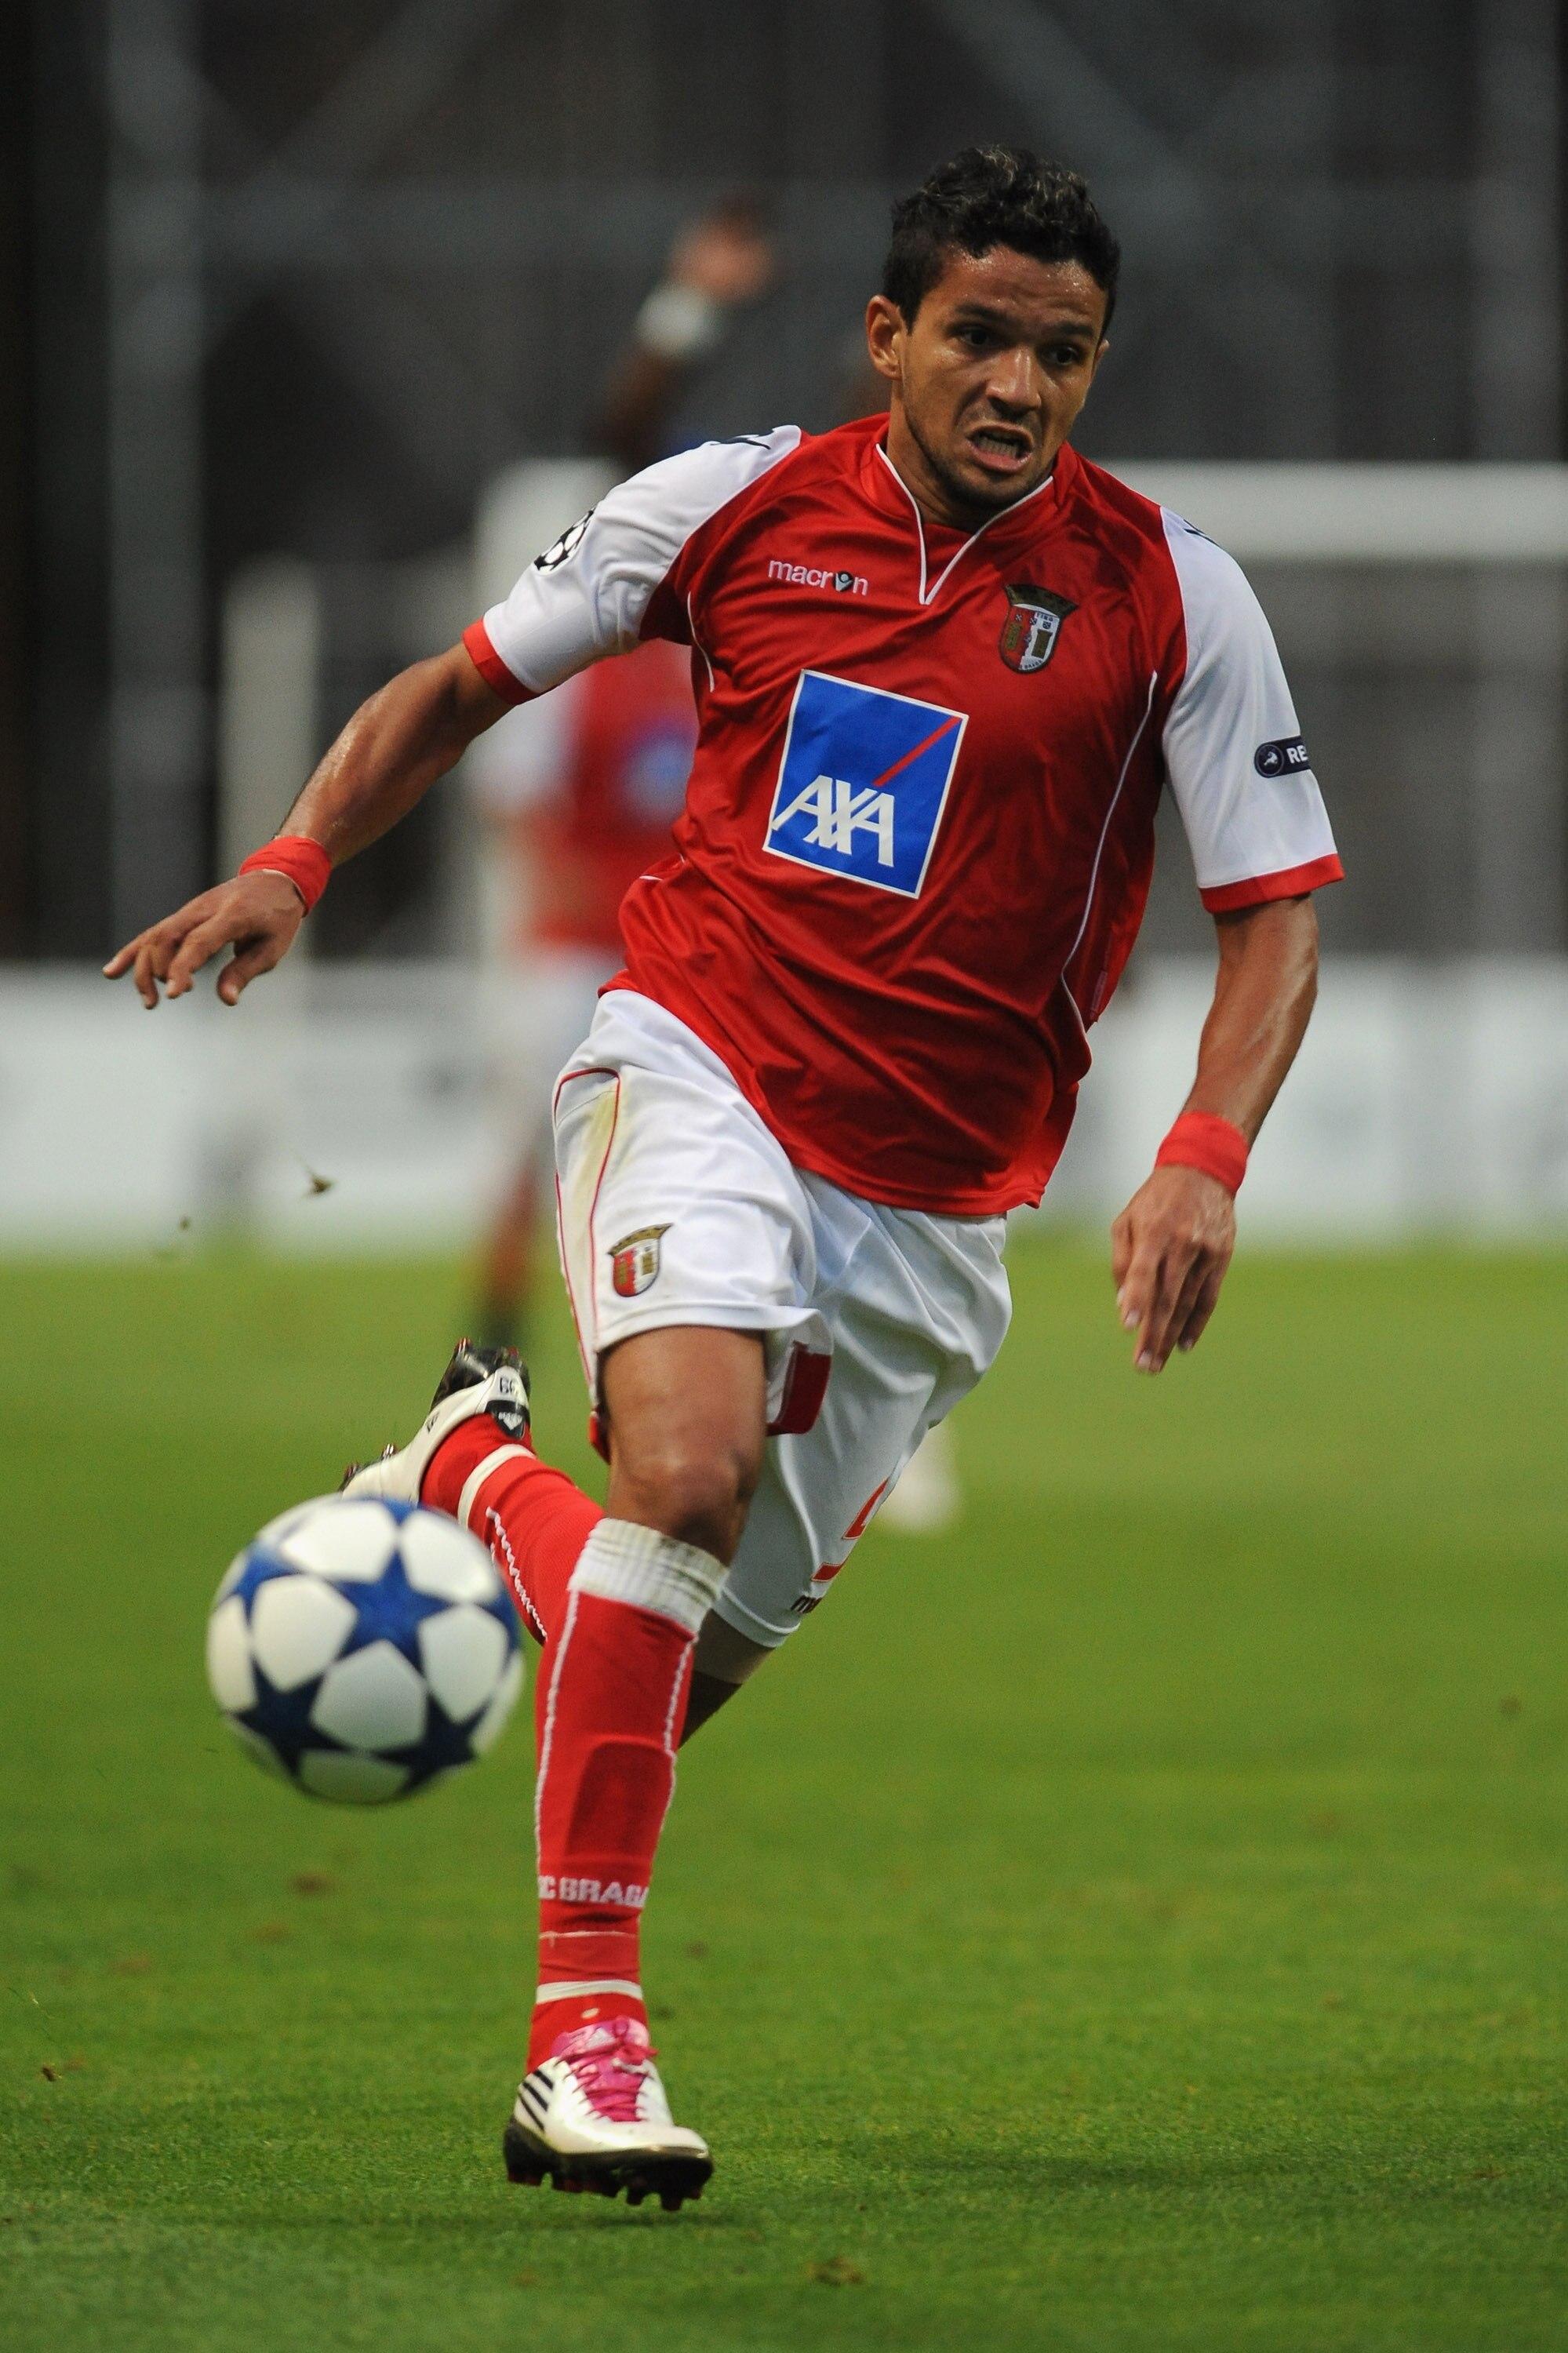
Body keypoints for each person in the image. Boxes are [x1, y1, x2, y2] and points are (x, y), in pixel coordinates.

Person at [107, 147, 1341, 2213]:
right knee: (674, 1488)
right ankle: (583, 2049)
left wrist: (1206, 1153)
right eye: (979, 336)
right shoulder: (737, 504)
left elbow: (1280, 909)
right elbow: (454, 686)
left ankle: (470, 1478)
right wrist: (296, 857)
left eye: (1064, 351)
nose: (1020, 385)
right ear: (891, 336)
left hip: (941, 1222)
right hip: (699, 1070)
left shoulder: (1174, 596)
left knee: (664, 1676)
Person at [472, 201, 777, 1344]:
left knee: (723, 1166)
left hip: (691, 958)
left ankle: (718, 1349)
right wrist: (688, 308)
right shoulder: (585, 651)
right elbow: (517, 814)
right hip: (574, 953)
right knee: (529, 1153)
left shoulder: (739, 652)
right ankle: (490, 1352)